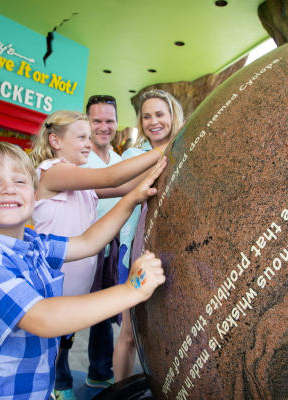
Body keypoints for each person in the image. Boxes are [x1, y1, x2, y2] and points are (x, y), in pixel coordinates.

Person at [0, 141, 166, 400]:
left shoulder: (32, 243)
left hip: (33, 389)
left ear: (34, 196)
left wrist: (132, 198)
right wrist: (130, 290)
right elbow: (43, 319)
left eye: (20, 182)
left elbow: (88, 242)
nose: (9, 189)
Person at [28, 109, 167, 400]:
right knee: (42, 352)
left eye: (89, 138)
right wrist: (166, 147)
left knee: (61, 345)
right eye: (81, 137)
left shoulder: (83, 186)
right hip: (52, 287)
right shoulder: (53, 171)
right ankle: (49, 388)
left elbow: (126, 186)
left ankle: (53, 385)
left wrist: (159, 170)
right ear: (55, 140)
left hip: (74, 289)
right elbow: (112, 176)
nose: (89, 144)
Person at [115, 89, 185, 382]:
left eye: (159, 114)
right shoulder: (133, 155)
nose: (153, 121)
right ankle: (119, 389)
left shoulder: (187, 150)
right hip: (137, 247)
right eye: (146, 116)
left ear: (173, 116)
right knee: (129, 333)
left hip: (177, 250)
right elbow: (123, 189)